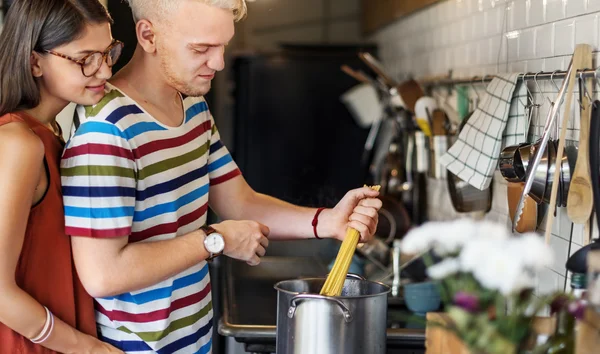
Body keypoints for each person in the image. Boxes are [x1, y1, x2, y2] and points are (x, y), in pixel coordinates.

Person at [60, 0, 383, 352]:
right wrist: (215, 240)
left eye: (223, 46)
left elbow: (239, 201)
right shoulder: (106, 130)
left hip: (195, 339)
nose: (218, 63)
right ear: (149, 36)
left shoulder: (193, 108)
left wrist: (328, 221)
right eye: (202, 48)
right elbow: (103, 275)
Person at [0, 0, 125, 353]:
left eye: (108, 52)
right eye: (86, 59)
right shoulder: (19, 144)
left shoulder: (50, 131)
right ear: (34, 61)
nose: (103, 72)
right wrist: (89, 348)